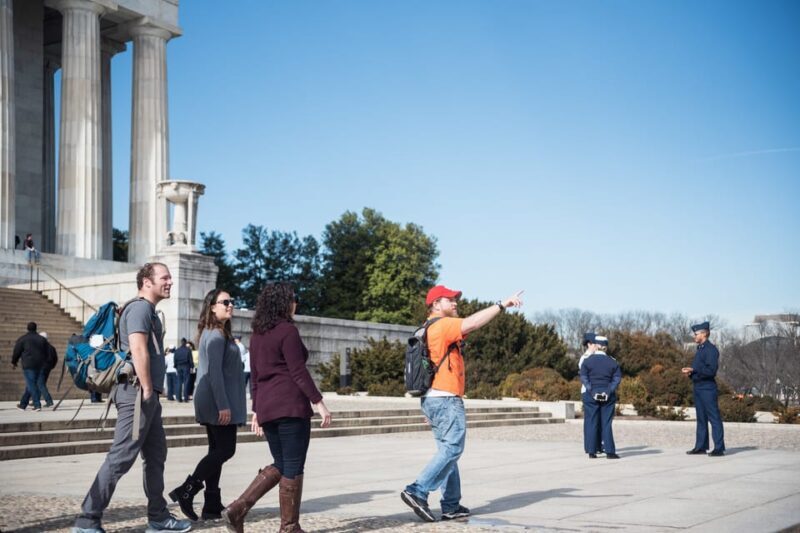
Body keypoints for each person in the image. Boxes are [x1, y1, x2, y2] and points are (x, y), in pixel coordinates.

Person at [71, 262, 191, 533]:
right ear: (147, 282)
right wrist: (147, 388)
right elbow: (138, 348)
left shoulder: (148, 310)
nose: (170, 282)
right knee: (121, 456)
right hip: (136, 393)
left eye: (170, 278)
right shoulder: (139, 309)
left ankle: (158, 517)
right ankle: (87, 520)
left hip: (146, 395)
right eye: (165, 277)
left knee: (156, 454)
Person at [401, 285, 523, 523]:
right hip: (445, 398)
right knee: (453, 449)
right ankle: (417, 491)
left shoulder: (426, 327)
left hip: (432, 398)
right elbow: (472, 323)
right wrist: (501, 305)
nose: (455, 302)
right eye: (450, 299)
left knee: (447, 452)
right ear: (436, 304)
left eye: (456, 299)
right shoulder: (443, 324)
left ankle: (451, 505)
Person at [223, 282, 332, 533]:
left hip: (268, 408)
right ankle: (289, 527)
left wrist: (257, 410)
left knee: (281, 463)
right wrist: (319, 402)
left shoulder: (257, 335)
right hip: (291, 406)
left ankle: (237, 509)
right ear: (284, 303)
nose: (295, 303)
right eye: (293, 299)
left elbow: (256, 377)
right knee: (293, 465)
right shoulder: (287, 331)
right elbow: (298, 371)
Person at [169, 289, 246, 522]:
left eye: (232, 301)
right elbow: (214, 373)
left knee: (217, 451)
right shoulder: (215, 336)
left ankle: (211, 504)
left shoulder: (214, 333)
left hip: (213, 399)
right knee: (226, 450)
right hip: (217, 401)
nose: (230, 305)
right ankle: (186, 490)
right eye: (225, 302)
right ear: (212, 307)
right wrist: (223, 405)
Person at [683, 321, 725, 456]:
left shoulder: (711, 350)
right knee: (701, 418)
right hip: (698, 387)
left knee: (714, 418)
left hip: (707, 388)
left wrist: (694, 370)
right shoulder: (700, 349)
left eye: (696, 334)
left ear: (704, 334)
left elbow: (711, 371)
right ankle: (701, 446)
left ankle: (719, 448)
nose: (694, 336)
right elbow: (700, 369)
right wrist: (691, 373)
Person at [580, 335, 622, 459]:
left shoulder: (587, 360)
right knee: (606, 423)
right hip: (607, 395)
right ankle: (609, 451)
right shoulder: (612, 361)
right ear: (605, 347)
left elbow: (584, 377)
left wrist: (591, 390)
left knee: (591, 421)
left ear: (597, 345)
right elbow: (617, 378)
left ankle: (592, 451)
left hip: (590, 395)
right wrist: (609, 390)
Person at [11, 322, 48, 412]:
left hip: (29, 364)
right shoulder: (42, 339)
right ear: (36, 328)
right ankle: (23, 405)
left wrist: (14, 362)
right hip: (40, 364)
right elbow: (47, 352)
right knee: (30, 384)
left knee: (31, 384)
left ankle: (37, 404)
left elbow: (17, 351)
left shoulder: (23, 339)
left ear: (27, 328)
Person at [579, 332, 602, 455]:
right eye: (595, 344)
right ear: (589, 344)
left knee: (596, 420)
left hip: (597, 391)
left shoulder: (596, 357)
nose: (597, 346)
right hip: (589, 391)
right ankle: (590, 446)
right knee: (591, 420)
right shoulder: (585, 358)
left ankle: (595, 445)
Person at [38, 332, 57, 408]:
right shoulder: (51, 347)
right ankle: (36, 400)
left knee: (40, 384)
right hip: (48, 368)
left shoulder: (40, 347)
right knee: (41, 384)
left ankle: (49, 401)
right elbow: (55, 358)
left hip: (41, 367)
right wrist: (52, 366)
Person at [173, 338, 193, 402]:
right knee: (186, 382)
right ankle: (186, 398)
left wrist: (176, 366)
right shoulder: (188, 350)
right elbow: (190, 359)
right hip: (186, 366)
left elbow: (175, 359)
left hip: (179, 366)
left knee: (179, 382)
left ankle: (179, 398)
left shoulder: (177, 350)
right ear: (185, 342)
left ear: (181, 342)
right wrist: (192, 366)